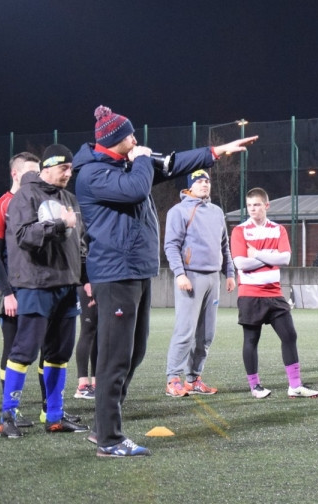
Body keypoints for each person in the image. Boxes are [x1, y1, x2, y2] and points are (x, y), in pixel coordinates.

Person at [73, 105, 257, 457]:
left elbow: (173, 164)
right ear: (116, 140)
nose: (137, 139)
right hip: (115, 273)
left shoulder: (126, 164)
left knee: (135, 351)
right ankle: (109, 439)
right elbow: (134, 190)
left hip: (137, 271)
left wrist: (216, 152)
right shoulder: (94, 173)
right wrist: (142, 159)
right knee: (114, 358)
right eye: (131, 135)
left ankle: (102, 427)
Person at [0, 145, 89, 438]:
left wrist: (86, 277)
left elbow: (80, 242)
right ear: (47, 167)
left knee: (59, 353)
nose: (69, 173)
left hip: (67, 286)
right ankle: (7, 416)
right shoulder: (25, 196)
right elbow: (24, 236)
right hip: (36, 284)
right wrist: (60, 223)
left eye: (71, 169)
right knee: (25, 350)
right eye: (64, 168)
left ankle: (54, 416)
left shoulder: (69, 198)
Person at [231, 187, 318, 398]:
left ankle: (295, 386)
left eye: (257, 205)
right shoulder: (239, 230)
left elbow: (285, 259)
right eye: (250, 205)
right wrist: (271, 255)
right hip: (250, 293)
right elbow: (241, 263)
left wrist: (259, 254)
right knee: (251, 340)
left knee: (289, 335)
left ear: (266, 206)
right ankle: (255, 387)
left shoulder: (278, 229)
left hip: (274, 293)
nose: (252, 209)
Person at [163, 169, 235, 397]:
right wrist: (179, 273)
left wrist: (230, 273)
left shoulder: (216, 212)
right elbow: (171, 245)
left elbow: (225, 245)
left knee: (206, 335)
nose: (204, 184)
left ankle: (193, 378)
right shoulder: (179, 211)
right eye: (199, 181)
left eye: (207, 181)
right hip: (191, 277)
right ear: (190, 186)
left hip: (213, 277)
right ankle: (173, 378)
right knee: (185, 331)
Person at [0, 152, 42, 427]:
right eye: (30, 173)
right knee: (13, 347)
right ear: (15, 174)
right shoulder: (1, 206)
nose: (35, 178)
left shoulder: (39, 203)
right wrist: (7, 292)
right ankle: (9, 411)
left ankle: (49, 409)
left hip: (35, 286)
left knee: (42, 345)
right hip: (10, 288)